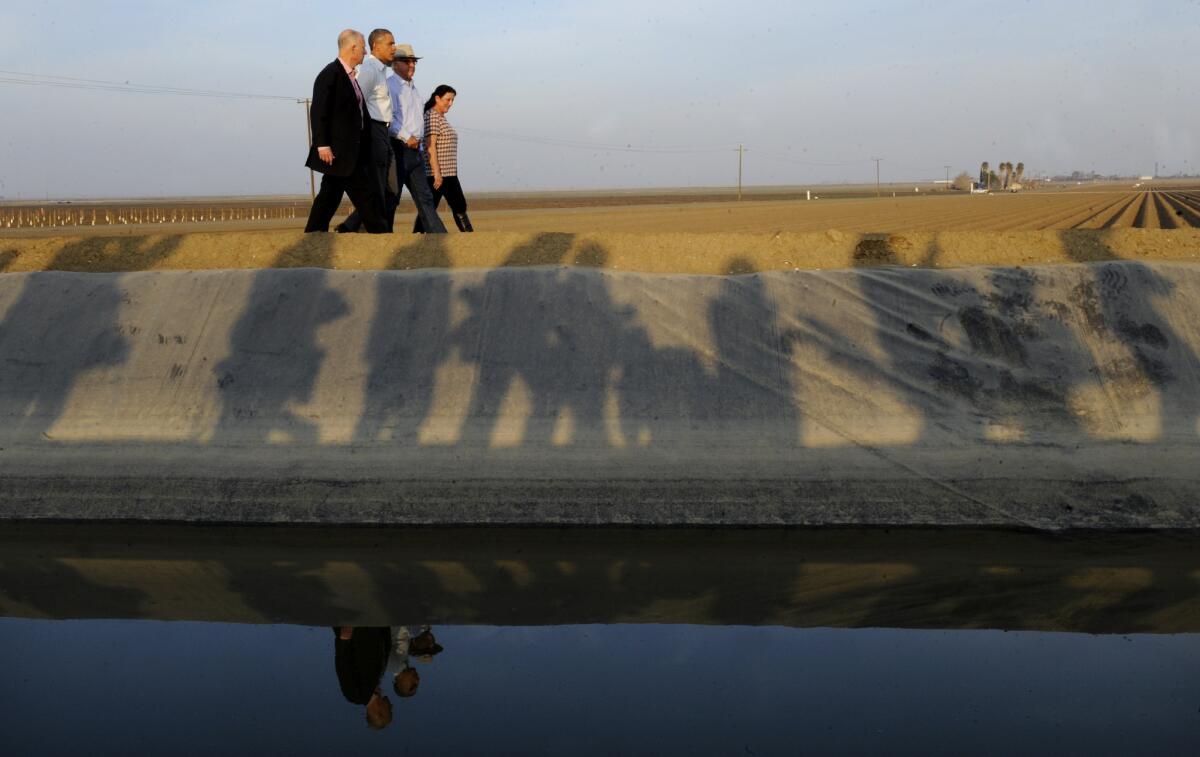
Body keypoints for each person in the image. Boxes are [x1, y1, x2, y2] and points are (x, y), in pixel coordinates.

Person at [303, 29, 387, 233]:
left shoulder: (352, 78)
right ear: (353, 48)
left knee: (331, 195)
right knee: (364, 197)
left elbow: (358, 114)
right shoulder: (330, 74)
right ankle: (383, 237)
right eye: (363, 47)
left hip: (351, 152)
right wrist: (322, 145)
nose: (366, 52)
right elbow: (319, 111)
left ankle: (313, 235)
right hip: (337, 152)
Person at [333, 29, 396, 232]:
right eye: (390, 44)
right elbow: (355, 98)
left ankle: (354, 226)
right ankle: (377, 230)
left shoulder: (380, 71)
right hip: (374, 130)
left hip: (382, 132)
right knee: (377, 186)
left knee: (384, 188)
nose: (394, 48)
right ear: (376, 46)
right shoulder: (369, 69)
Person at [388, 44, 447, 233]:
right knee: (391, 197)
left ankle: (439, 236)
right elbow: (388, 119)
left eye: (414, 61)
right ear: (395, 64)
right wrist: (407, 137)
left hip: (416, 151)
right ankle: (376, 235)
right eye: (407, 61)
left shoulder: (413, 88)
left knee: (425, 197)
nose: (412, 65)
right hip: (399, 148)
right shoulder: (391, 86)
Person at [414, 85, 473, 232]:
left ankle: (418, 235)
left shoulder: (440, 117)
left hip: (448, 171)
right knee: (454, 205)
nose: (450, 103)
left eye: (452, 100)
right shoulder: (432, 116)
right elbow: (430, 146)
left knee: (435, 207)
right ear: (437, 98)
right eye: (448, 99)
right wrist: (437, 173)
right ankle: (470, 237)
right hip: (439, 173)